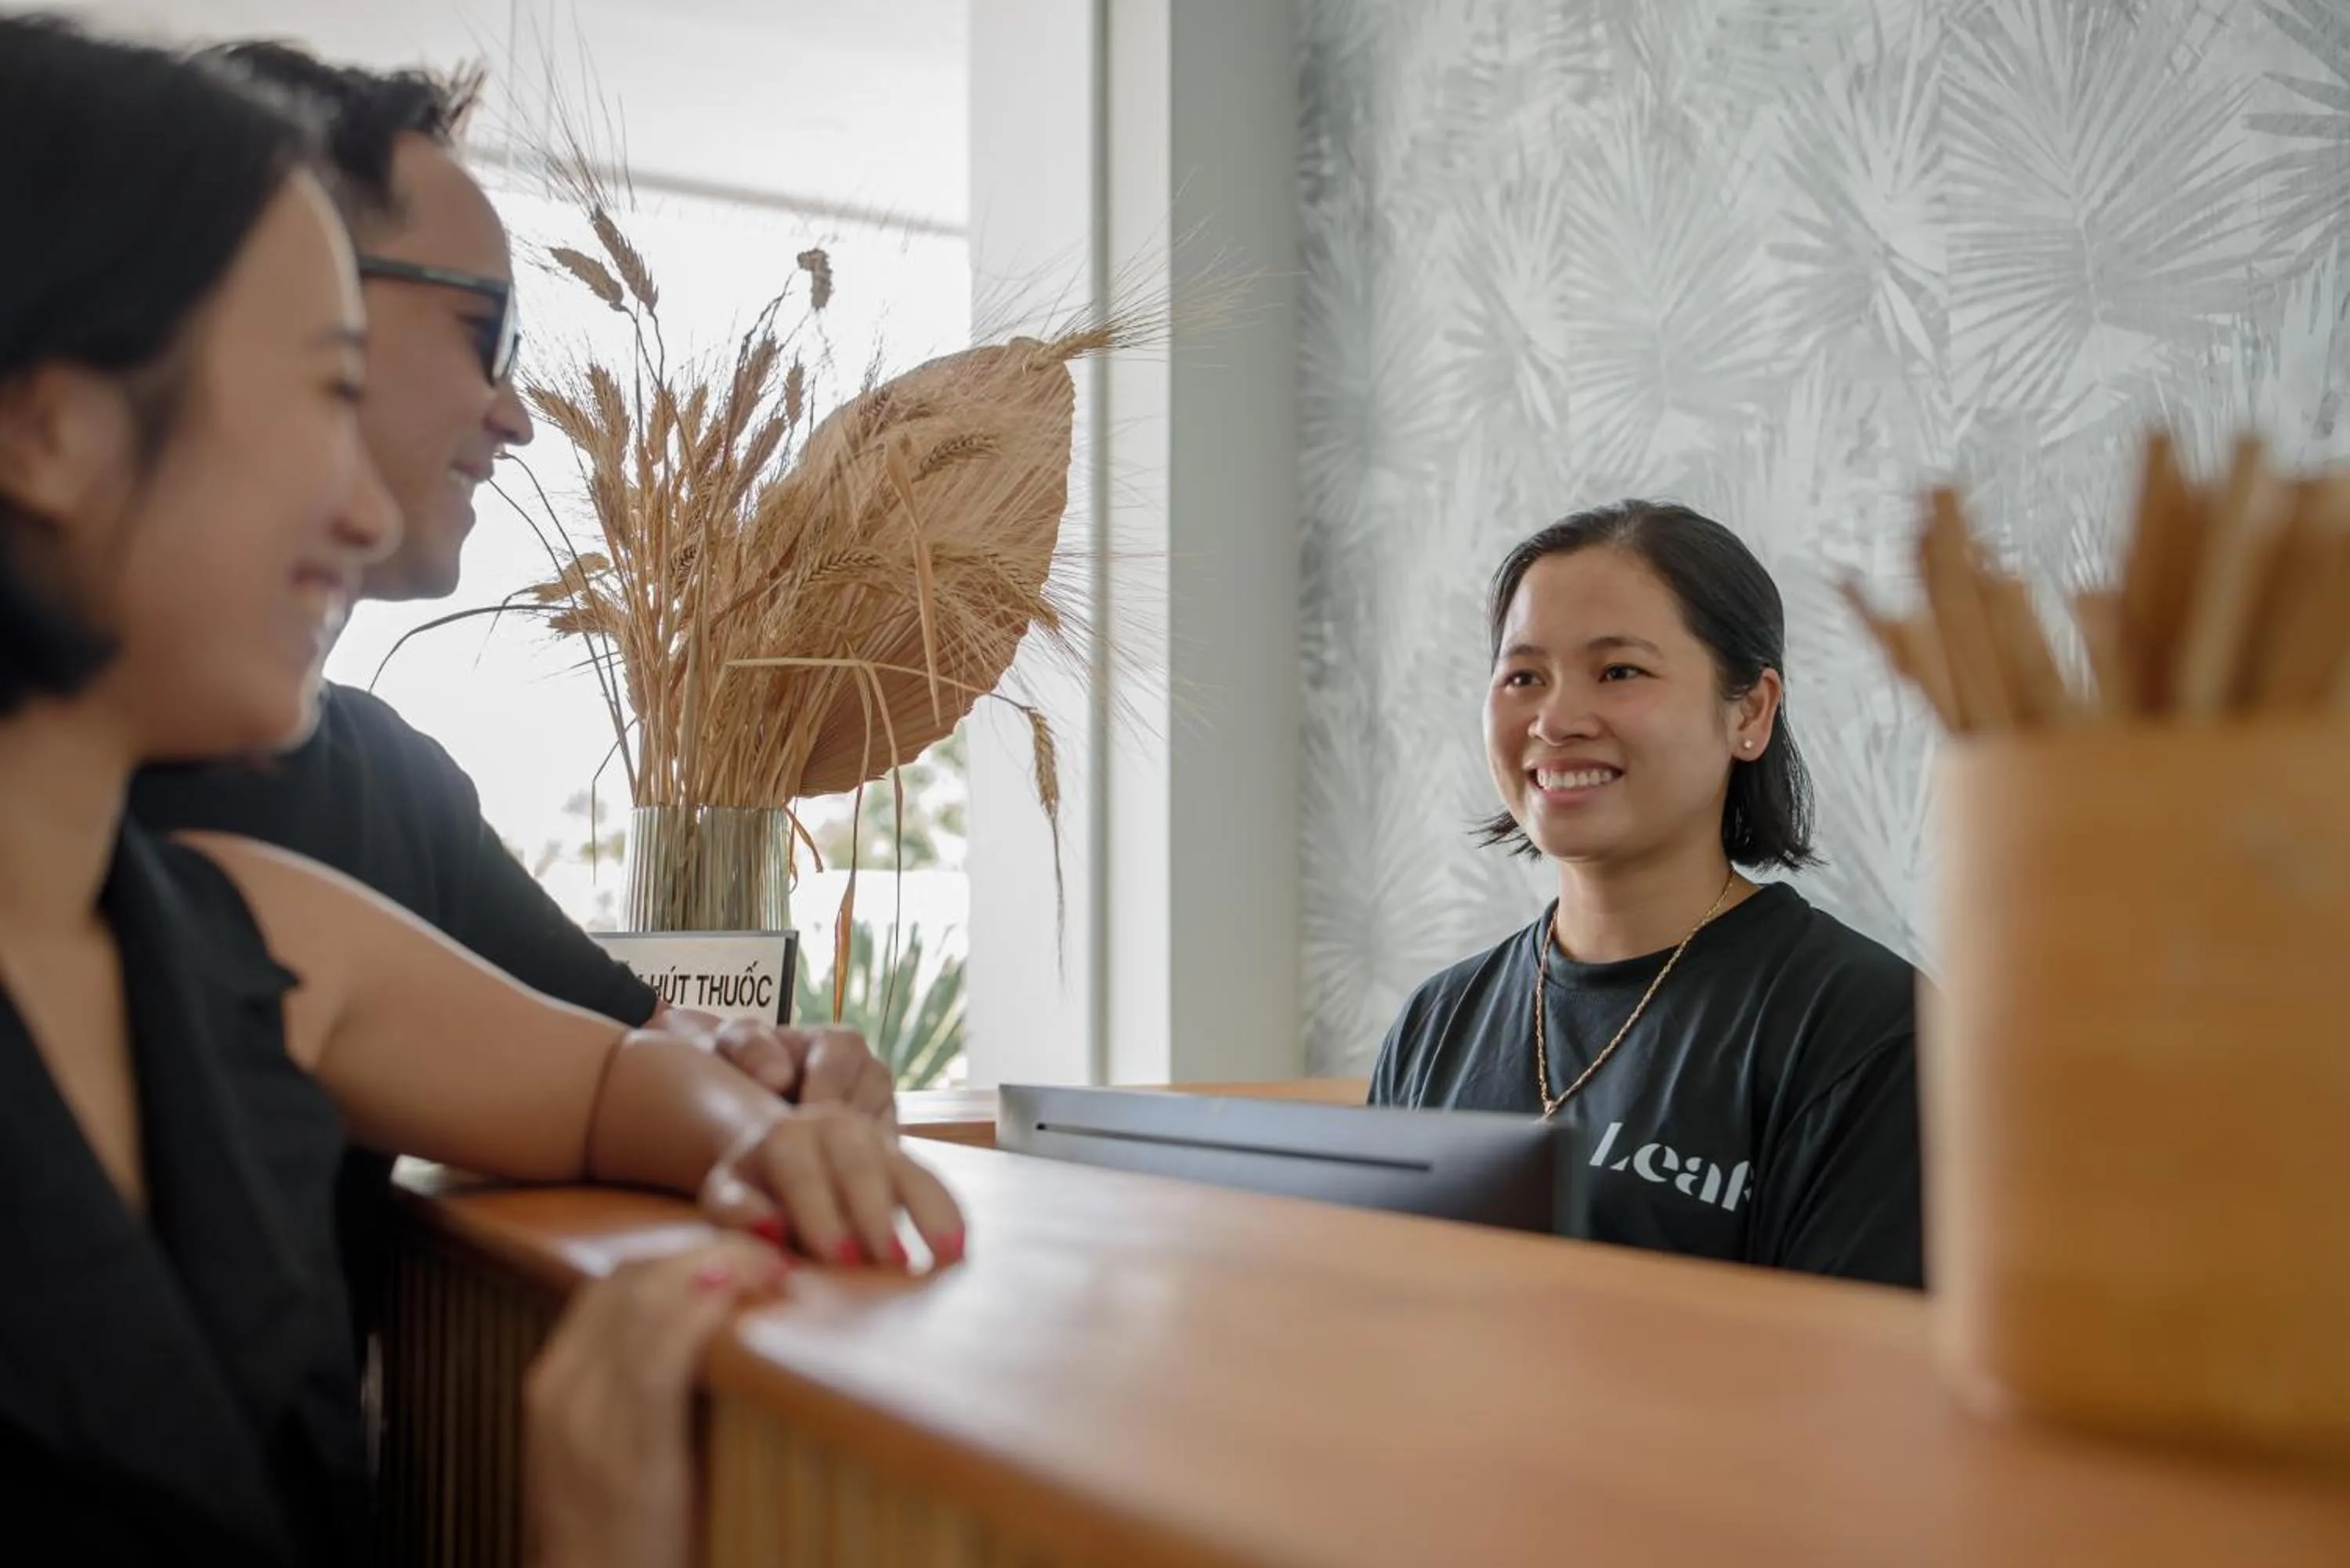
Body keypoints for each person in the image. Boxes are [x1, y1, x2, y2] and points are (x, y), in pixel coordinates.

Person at [0, 18, 960, 1565]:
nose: (363, 498)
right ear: (49, 427)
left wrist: (750, 1131)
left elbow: (605, 1072)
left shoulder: (261, 926)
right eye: (319, 389)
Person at [121, 42, 889, 1346]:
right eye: (488, 334)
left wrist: (773, 1076)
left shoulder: (358, 806)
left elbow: (624, 1059)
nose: (518, 415)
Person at [1368, 502, 1923, 1289]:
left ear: (1751, 712)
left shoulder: (1864, 1027)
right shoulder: (1436, 1024)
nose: (1556, 719)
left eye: (1619, 671)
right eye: (1524, 676)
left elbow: (1847, 1381)